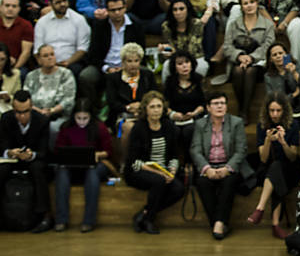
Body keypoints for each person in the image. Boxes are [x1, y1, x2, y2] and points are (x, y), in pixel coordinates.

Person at [191, 92, 250, 240]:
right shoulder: (200, 124)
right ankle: (219, 223)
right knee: (202, 182)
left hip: (229, 165)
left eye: (222, 103)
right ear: (208, 108)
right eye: (216, 103)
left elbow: (240, 150)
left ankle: (217, 223)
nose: (220, 106)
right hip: (209, 166)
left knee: (229, 182)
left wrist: (227, 169)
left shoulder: (236, 122)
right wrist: (207, 169)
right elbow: (195, 150)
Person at [125, 91, 183, 235]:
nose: (156, 110)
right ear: (146, 109)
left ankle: (143, 214)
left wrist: (172, 171)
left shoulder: (169, 126)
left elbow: (175, 155)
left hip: (163, 170)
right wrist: (159, 172)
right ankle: (149, 220)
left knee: (179, 189)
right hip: (139, 170)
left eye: (159, 106)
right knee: (159, 181)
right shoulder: (139, 128)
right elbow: (133, 161)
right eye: (152, 107)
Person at [52, 98, 112, 233]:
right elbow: (58, 150)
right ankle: (61, 220)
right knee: (61, 173)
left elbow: (108, 152)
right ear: (74, 116)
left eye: (85, 118)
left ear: (91, 116)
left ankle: (88, 221)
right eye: (78, 118)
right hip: (71, 166)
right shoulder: (67, 128)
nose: (82, 122)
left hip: (95, 165)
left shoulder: (99, 127)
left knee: (92, 174)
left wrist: (97, 155)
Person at [249, 92, 300, 238]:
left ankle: (260, 208)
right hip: (271, 167)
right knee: (275, 171)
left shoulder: (293, 125)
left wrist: (283, 142)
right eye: (272, 110)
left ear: (284, 110)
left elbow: (292, 156)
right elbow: (263, 158)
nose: (275, 114)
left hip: (291, 168)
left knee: (276, 171)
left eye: (278, 110)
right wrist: (267, 140)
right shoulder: (262, 126)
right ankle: (274, 224)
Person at [0, 90, 51, 232]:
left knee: (38, 170)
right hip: (12, 159)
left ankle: (44, 215)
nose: (21, 116)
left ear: (31, 107)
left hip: (34, 159)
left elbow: (44, 151)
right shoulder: (6, 118)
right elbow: (2, 143)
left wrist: (31, 155)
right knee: (1, 170)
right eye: (17, 112)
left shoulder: (42, 121)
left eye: (25, 112)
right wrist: (9, 152)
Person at [223, 0, 275, 122]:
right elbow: (227, 46)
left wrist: (251, 57)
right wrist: (240, 56)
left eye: (252, 2)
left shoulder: (267, 24)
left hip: (259, 64)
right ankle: (241, 109)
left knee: (250, 71)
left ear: (257, 3)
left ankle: (244, 111)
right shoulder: (234, 24)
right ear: (241, 6)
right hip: (237, 62)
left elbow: (268, 46)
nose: (249, 5)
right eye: (245, 3)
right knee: (239, 71)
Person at [78, 0, 144, 97]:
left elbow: (140, 51)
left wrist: (126, 66)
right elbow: (93, 54)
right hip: (104, 66)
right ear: (107, 11)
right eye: (113, 10)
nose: (117, 13)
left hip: (129, 65)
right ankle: (93, 108)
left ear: (125, 8)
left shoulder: (135, 25)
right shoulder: (99, 26)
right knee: (86, 76)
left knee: (146, 73)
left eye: (120, 9)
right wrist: (107, 68)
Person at [32, 0, 89, 76]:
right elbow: (37, 50)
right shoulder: (42, 23)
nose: (62, 4)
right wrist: (48, 64)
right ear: (50, 4)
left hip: (72, 64)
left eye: (64, 1)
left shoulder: (79, 20)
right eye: (58, 2)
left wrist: (68, 62)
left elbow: (82, 48)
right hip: (47, 64)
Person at [24, 43, 75, 137]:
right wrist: (39, 112)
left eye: (52, 54)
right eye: (45, 56)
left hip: (59, 116)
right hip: (35, 115)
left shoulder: (66, 74)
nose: (50, 57)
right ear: (39, 60)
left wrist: (52, 111)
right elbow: (26, 100)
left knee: (53, 128)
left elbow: (69, 100)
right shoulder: (31, 76)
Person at [162, 50, 205, 162]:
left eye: (187, 62)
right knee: (173, 130)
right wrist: (173, 114)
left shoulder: (199, 79)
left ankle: (189, 163)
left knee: (189, 130)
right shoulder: (169, 82)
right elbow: (165, 104)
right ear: (175, 67)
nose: (184, 66)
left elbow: (204, 103)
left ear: (192, 64)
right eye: (180, 64)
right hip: (175, 118)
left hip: (195, 116)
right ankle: (173, 162)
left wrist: (195, 113)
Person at [159, 0, 208, 81]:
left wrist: (174, 52)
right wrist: (164, 50)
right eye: (175, 10)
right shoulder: (166, 26)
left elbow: (192, 49)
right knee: (167, 65)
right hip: (175, 59)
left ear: (187, 10)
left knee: (202, 66)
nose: (178, 12)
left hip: (195, 57)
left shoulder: (196, 24)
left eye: (181, 9)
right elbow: (169, 47)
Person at [265, 42, 300, 121]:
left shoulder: (299, 65)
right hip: (283, 109)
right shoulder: (269, 77)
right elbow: (273, 98)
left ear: (287, 55)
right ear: (271, 59)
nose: (278, 56)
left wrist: (294, 73)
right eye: (275, 55)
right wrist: (294, 95)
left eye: (280, 53)